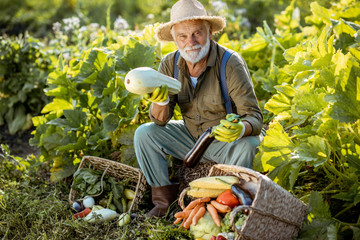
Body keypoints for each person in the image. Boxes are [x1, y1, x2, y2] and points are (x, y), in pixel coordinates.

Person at [133, 0, 264, 217]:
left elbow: (254, 117)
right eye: (182, 36)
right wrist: (161, 101)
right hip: (191, 137)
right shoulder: (169, 64)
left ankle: (228, 208)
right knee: (144, 133)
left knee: (249, 144)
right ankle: (163, 205)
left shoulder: (230, 63)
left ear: (210, 32)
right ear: (174, 38)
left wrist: (239, 129)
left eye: (197, 33)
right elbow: (160, 122)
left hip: (223, 141)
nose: (190, 42)